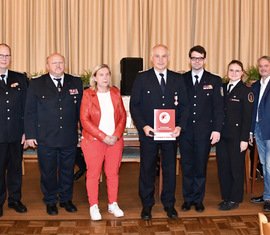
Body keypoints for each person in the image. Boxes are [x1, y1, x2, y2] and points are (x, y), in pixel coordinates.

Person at [130, 44, 189, 220]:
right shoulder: (142, 78)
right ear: (151, 58)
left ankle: (169, 204)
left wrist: (180, 126)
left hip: (171, 134)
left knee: (170, 169)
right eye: (157, 56)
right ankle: (147, 205)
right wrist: (144, 126)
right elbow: (134, 106)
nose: (161, 60)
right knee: (147, 169)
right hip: (149, 134)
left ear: (168, 58)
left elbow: (185, 106)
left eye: (164, 56)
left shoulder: (177, 79)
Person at [24, 53, 83, 215]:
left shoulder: (75, 82)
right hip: (46, 137)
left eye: (61, 62)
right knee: (48, 171)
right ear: (47, 65)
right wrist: (30, 134)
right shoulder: (36, 83)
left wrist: (84, 133)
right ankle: (50, 200)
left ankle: (66, 199)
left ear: (65, 64)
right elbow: (30, 111)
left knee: (67, 170)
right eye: (54, 63)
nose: (58, 66)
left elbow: (81, 112)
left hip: (68, 137)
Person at [179, 45, 224, 212]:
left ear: (204, 59)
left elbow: (218, 108)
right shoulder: (181, 79)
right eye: (193, 58)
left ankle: (198, 199)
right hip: (185, 132)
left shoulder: (214, 80)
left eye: (200, 58)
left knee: (200, 166)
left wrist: (217, 129)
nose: (196, 61)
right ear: (189, 59)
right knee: (187, 165)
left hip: (205, 132)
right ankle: (187, 199)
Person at [80, 64, 126, 221]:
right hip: (94, 141)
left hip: (114, 141)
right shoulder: (88, 94)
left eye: (107, 74)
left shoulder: (115, 92)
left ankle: (113, 203)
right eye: (101, 74)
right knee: (93, 174)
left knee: (113, 174)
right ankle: (94, 205)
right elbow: (84, 120)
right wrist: (102, 136)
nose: (105, 77)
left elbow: (122, 116)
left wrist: (116, 135)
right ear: (95, 77)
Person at [216, 60, 254, 210]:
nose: (233, 73)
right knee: (223, 168)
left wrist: (244, 138)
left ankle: (235, 199)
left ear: (242, 73)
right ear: (227, 72)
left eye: (237, 71)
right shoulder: (222, 88)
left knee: (235, 168)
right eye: (231, 70)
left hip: (237, 137)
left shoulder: (246, 91)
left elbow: (247, 117)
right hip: (222, 135)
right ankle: (226, 196)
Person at [0, 43, 28, 217]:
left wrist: (27, 131)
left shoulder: (20, 78)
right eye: (1, 55)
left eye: (7, 55)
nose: (4, 59)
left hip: (17, 134)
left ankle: (15, 200)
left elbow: (27, 107)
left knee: (15, 169)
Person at [250, 56, 270, 211]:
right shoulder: (255, 85)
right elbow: (252, 110)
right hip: (258, 129)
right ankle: (266, 195)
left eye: (266, 65)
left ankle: (268, 197)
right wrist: (251, 130)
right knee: (264, 165)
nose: (263, 68)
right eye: (261, 66)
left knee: (269, 166)